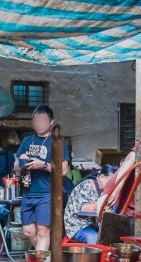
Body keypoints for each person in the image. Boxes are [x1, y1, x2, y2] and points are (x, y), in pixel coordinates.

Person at [14, 105, 69, 252]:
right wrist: (22, 161)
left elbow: (63, 170)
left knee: (43, 231)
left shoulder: (58, 142)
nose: (39, 123)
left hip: (47, 193)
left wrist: (43, 165)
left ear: (51, 122)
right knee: (28, 231)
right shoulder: (27, 141)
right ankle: (49, 257)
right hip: (28, 192)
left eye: (43, 120)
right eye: (36, 120)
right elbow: (15, 166)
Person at [64, 164, 118, 244]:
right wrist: (104, 201)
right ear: (101, 177)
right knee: (95, 239)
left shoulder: (105, 191)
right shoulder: (86, 186)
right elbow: (83, 209)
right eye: (111, 182)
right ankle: (96, 256)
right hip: (78, 226)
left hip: (94, 225)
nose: (113, 185)